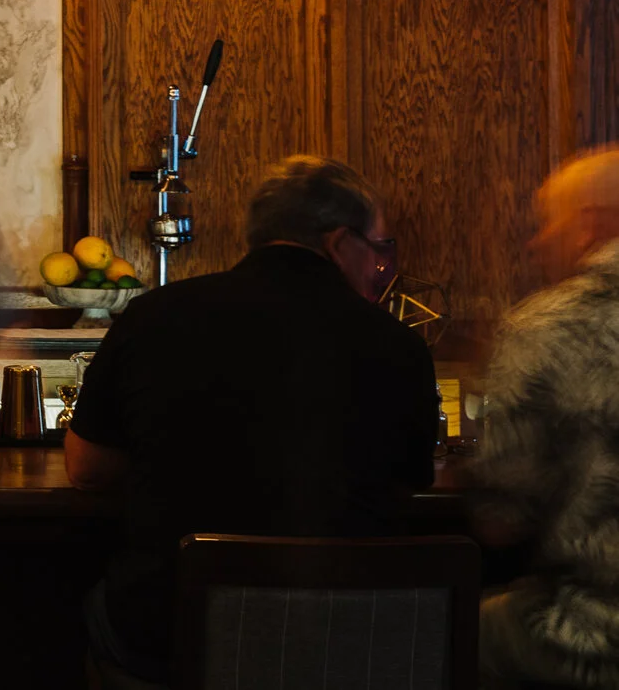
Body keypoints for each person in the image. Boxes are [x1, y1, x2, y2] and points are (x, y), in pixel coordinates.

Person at [66, 155, 438, 689]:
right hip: (343, 648)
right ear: (339, 243)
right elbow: (408, 481)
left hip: (174, 647)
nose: (379, 266)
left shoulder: (154, 315)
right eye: (376, 248)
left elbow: (85, 468)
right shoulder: (399, 345)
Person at [470, 149, 619, 688]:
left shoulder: (547, 326)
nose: (535, 242)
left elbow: (501, 520)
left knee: (440, 630)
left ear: (589, 226)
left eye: (546, 222)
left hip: (592, 636)